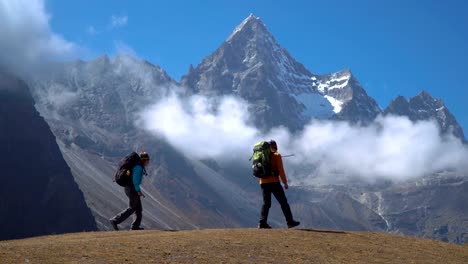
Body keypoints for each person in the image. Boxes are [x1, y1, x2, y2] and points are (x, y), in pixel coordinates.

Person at [258, 140, 300, 229]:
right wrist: (285, 182)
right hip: (274, 182)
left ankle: (262, 222)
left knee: (266, 203)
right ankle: (290, 222)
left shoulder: (260, 156)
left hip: (263, 182)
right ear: (275, 146)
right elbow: (281, 170)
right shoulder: (277, 156)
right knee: (283, 202)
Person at [110, 151, 150, 230]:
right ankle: (115, 220)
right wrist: (138, 191)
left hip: (130, 187)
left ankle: (135, 226)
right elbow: (135, 181)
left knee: (138, 208)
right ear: (143, 160)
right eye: (147, 160)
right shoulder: (138, 167)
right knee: (132, 207)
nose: (148, 162)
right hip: (132, 188)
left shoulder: (136, 165)